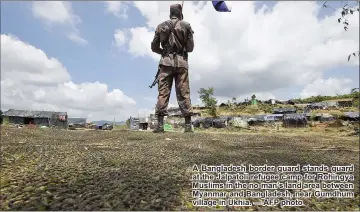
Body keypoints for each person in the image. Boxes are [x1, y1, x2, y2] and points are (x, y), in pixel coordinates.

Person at [151, 3, 195, 133]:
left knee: (163, 92)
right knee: (184, 92)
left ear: (170, 13)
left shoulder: (161, 26)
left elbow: (154, 47)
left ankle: (159, 125)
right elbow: (190, 48)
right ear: (180, 13)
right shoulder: (186, 25)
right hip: (181, 63)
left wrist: (164, 53)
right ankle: (187, 126)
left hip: (165, 63)